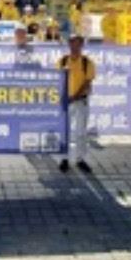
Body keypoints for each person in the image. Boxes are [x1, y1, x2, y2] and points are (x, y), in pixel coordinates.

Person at [56, 33, 95, 173]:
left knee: (80, 132)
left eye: (77, 43)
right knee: (64, 132)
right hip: (65, 102)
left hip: (80, 101)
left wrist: (75, 96)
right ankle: (63, 159)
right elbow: (57, 81)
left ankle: (80, 159)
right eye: (71, 42)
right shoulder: (62, 61)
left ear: (81, 45)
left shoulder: (87, 62)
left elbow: (87, 82)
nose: (74, 46)